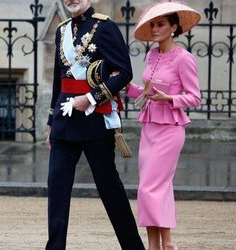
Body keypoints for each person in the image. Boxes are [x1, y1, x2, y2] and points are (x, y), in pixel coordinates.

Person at [45, 0, 145, 249]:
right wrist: (50, 123)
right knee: (57, 189)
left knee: (109, 187)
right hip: (63, 121)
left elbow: (124, 72)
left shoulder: (105, 27)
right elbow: (60, 81)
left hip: (94, 121)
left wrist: (91, 97)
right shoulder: (62, 30)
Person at [126, 1, 201, 250]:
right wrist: (121, 85)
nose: (155, 29)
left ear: (174, 27)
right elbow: (146, 91)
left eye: (160, 24)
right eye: (153, 24)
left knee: (149, 187)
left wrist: (170, 98)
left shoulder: (184, 58)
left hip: (170, 130)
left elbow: (195, 97)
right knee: (159, 188)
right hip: (149, 127)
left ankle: (161, 245)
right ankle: (161, 245)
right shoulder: (151, 55)